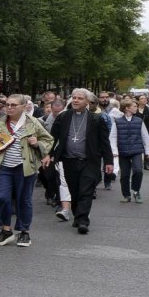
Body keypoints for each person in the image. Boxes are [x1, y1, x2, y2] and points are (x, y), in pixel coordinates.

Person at [0, 94, 54, 248]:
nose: (9, 108)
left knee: (24, 200)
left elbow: (48, 140)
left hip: (25, 167)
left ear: (23, 107)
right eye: (7, 105)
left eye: (13, 105)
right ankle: (6, 228)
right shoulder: (0, 121)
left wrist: (37, 144)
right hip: (3, 166)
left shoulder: (33, 122)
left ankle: (23, 231)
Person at [48, 88, 113, 234]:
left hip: (89, 161)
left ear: (87, 102)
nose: (75, 100)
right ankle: (78, 216)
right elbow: (53, 138)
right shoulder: (63, 117)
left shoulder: (96, 119)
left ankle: (83, 220)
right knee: (74, 191)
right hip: (69, 160)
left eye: (79, 98)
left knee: (86, 191)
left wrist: (109, 161)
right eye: (74, 98)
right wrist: (48, 154)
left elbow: (104, 142)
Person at [110, 97, 149, 203]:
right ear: (127, 108)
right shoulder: (117, 122)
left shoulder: (139, 121)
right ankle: (126, 195)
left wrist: (148, 151)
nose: (136, 108)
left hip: (136, 150)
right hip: (123, 151)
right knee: (124, 174)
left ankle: (136, 190)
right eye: (134, 106)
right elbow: (113, 137)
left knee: (138, 171)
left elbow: (145, 136)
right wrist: (114, 151)